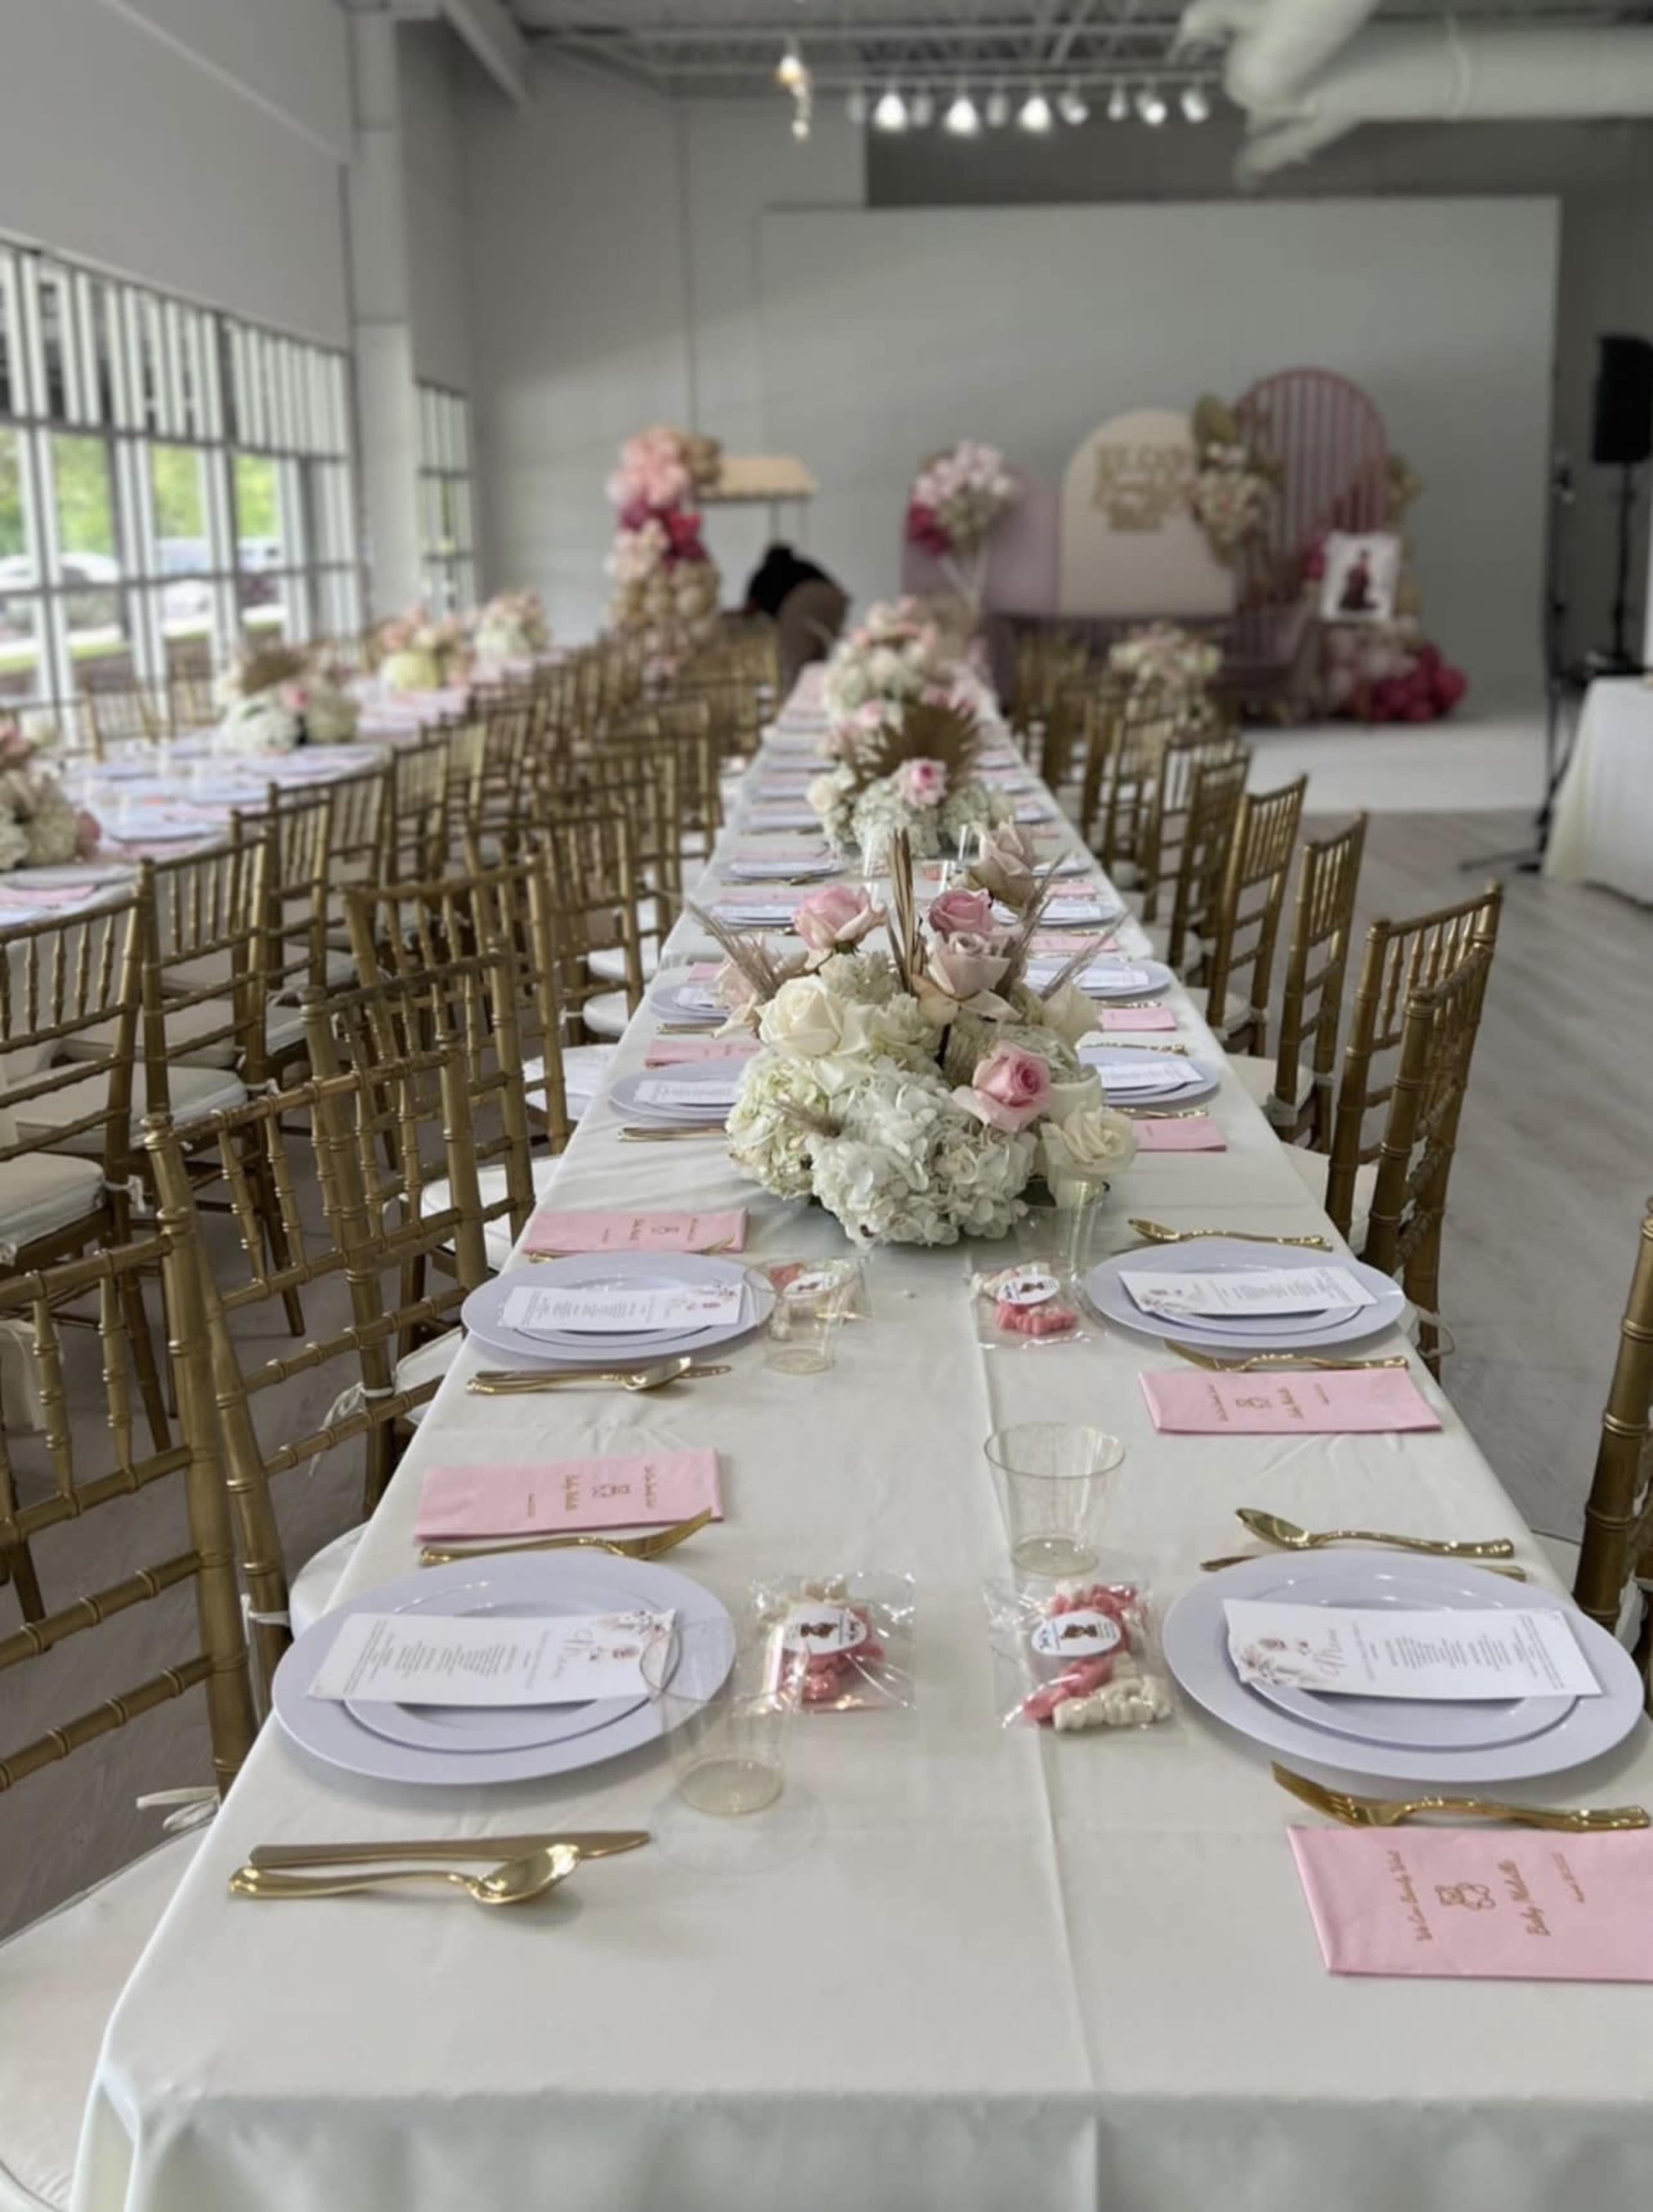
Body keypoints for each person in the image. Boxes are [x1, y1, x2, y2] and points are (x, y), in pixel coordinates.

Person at [744, 542, 848, 689]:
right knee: (817, 661)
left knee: (794, 663)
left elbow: (750, 609)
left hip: (802, 601)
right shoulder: (803, 566)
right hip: (835, 598)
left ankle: (799, 704)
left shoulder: (764, 573)